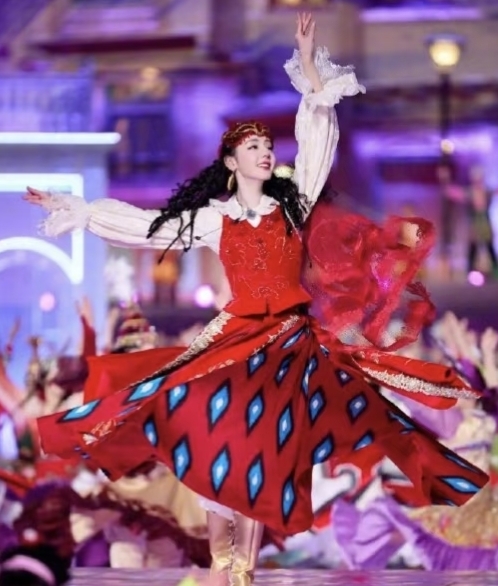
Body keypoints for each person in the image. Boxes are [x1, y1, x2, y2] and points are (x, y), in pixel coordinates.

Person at [24, 13, 488, 585]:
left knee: (265, 447)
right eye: (253, 146)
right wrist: (80, 211)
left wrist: (312, 78)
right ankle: (224, 562)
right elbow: (148, 227)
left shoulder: (292, 206)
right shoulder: (215, 218)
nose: (265, 152)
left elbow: (315, 148)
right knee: (209, 428)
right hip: (234, 339)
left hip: (290, 344)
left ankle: (241, 566)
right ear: (231, 162)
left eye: (268, 144)